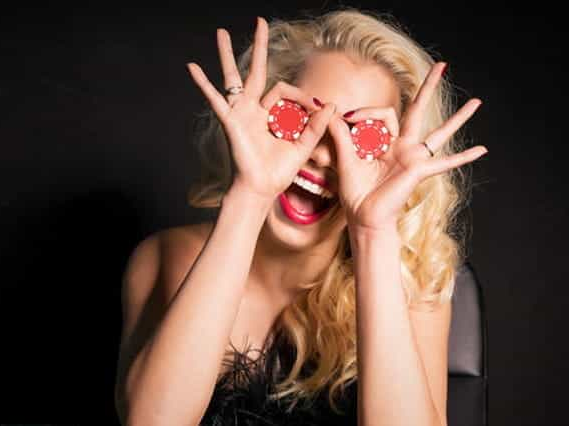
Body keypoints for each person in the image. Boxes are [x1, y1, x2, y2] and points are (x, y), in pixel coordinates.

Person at [113, 7, 487, 425]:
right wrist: (250, 195)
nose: (323, 154)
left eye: (361, 138)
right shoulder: (165, 257)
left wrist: (373, 231)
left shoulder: (414, 284)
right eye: (302, 119)